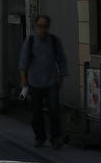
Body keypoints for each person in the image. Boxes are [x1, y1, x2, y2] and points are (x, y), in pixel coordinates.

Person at [18, 15, 68, 149]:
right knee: (36, 112)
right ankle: (40, 137)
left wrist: (61, 78)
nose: (43, 29)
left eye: (45, 26)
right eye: (40, 26)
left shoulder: (53, 41)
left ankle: (56, 138)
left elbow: (61, 59)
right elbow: (23, 61)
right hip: (34, 82)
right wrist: (24, 80)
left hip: (51, 81)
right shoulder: (31, 40)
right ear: (36, 26)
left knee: (54, 110)